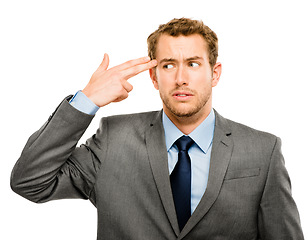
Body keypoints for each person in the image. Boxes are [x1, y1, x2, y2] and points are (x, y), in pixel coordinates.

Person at [11, 18, 304, 239]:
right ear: (153, 76)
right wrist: (86, 101)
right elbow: (30, 182)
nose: (180, 78)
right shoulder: (114, 139)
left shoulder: (263, 150)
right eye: (167, 65)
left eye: (192, 63)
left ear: (214, 74)